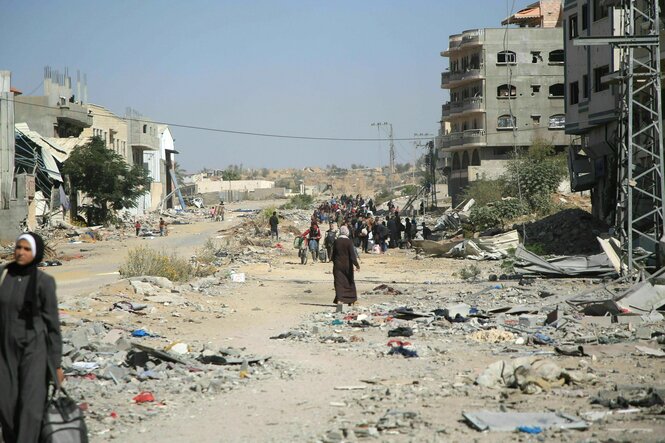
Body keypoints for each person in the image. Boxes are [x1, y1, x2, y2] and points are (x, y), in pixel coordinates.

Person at [0, 233, 63, 443]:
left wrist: (56, 364)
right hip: (5, 348)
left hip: (34, 348)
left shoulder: (44, 282)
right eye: (18, 247)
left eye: (27, 249)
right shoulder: (3, 275)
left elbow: (53, 325)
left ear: (36, 253)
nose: (20, 252)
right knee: (5, 403)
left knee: (31, 405)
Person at [331, 226, 360, 305]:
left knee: (339, 282)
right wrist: (357, 265)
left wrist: (334, 262)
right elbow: (352, 255)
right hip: (347, 265)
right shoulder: (349, 242)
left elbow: (333, 255)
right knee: (349, 281)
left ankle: (340, 299)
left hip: (338, 265)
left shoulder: (336, 241)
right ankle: (352, 299)